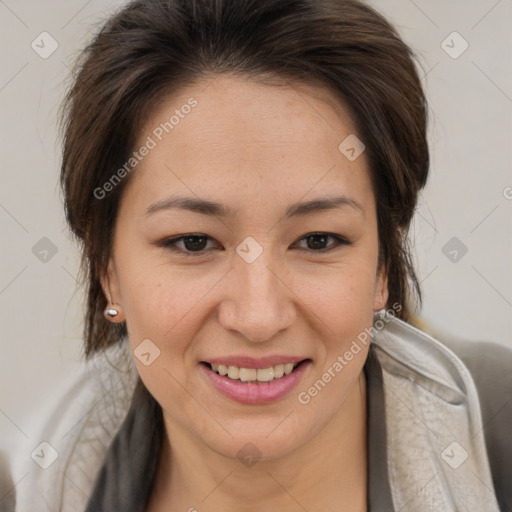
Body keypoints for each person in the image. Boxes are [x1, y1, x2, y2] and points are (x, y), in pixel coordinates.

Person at [3, 0, 511, 511]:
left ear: (383, 264)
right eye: (193, 242)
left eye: (317, 240)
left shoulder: (499, 429)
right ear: (106, 270)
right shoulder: (31, 487)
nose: (258, 317)